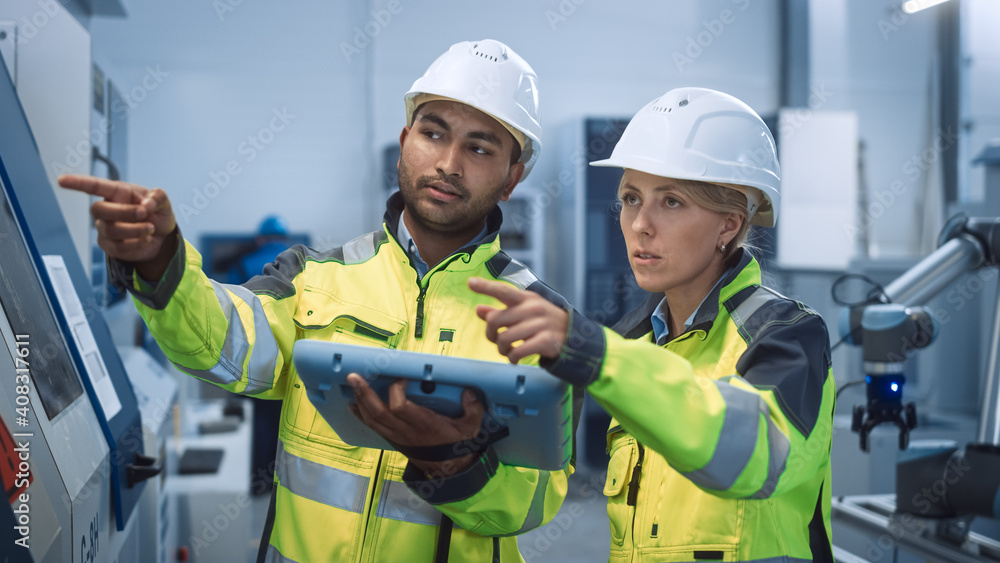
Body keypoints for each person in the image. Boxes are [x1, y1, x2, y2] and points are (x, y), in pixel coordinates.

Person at [60, 39, 578, 563]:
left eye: (480, 148)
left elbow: (538, 499)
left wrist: (457, 466)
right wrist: (159, 262)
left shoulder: (545, 324)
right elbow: (224, 347)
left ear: (513, 176)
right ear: (405, 141)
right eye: (433, 133)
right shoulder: (312, 276)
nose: (447, 163)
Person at [470, 87, 835, 562]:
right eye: (630, 198)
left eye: (672, 202)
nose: (640, 224)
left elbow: (753, 458)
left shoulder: (786, 335)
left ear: (728, 224)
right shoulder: (631, 342)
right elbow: (532, 492)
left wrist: (595, 353)